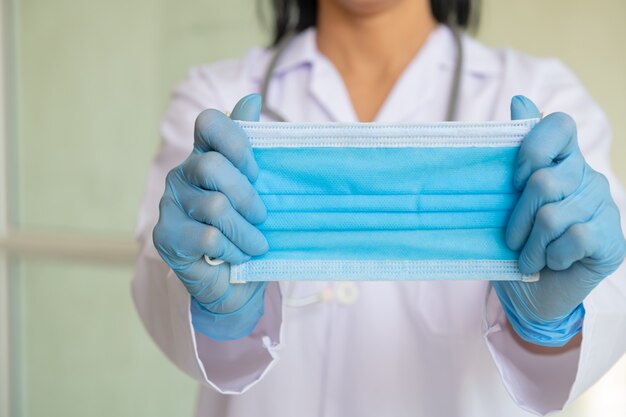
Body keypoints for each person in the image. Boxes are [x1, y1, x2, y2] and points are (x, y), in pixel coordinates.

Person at [132, 0, 626, 415]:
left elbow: (612, 297)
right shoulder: (213, 97)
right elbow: (159, 289)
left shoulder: (546, 96)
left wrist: (551, 322)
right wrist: (217, 312)